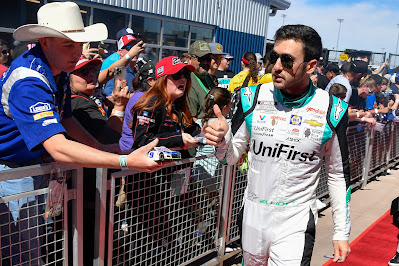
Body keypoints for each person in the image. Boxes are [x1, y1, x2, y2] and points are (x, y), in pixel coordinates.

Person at [0, 3, 166, 264]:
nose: (77, 52)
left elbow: (66, 119)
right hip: (12, 169)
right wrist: (124, 160)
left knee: (35, 245)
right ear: (44, 42)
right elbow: (57, 145)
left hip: (33, 163)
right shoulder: (27, 80)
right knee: (24, 254)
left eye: (79, 44)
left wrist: (100, 147)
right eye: (68, 45)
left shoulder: (59, 71)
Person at [207, 24, 352, 264]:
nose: (276, 67)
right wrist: (221, 141)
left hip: (295, 221)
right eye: (275, 57)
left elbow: (338, 174)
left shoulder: (332, 109)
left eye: (287, 60)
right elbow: (229, 158)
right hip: (253, 215)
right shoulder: (250, 97)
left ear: (311, 66)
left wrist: (341, 232)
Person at [131, 56, 201, 157]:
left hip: (174, 169)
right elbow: (142, 139)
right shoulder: (152, 103)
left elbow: (190, 129)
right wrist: (179, 138)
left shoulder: (178, 103)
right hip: (150, 169)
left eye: (186, 74)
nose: (183, 79)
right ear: (163, 79)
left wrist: (205, 133)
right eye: (177, 75)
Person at [70, 55, 130, 144]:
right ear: (68, 78)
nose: (91, 74)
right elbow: (110, 137)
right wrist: (119, 106)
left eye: (93, 70)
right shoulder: (80, 103)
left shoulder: (77, 100)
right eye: (84, 72)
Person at [194, 87, 231, 189]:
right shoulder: (228, 125)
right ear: (224, 108)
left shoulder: (197, 124)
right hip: (217, 175)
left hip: (198, 171)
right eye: (229, 105)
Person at [119, 60, 156, 151]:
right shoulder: (143, 98)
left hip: (131, 147)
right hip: (131, 149)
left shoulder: (140, 94)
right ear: (150, 81)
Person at [186, 40, 215, 120]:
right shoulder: (187, 80)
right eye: (201, 59)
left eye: (208, 59)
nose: (205, 62)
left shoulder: (208, 77)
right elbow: (190, 118)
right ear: (190, 58)